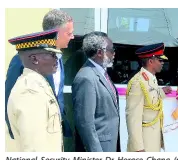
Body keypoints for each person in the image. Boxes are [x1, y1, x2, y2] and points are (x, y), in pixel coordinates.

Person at [5, 9, 74, 140]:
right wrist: (16, 134)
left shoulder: (58, 59)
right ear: (57, 34)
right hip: (34, 134)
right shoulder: (22, 59)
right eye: (69, 33)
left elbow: (57, 94)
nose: (73, 37)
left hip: (54, 131)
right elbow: (8, 96)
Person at [7, 29, 63, 152]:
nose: (56, 60)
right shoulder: (29, 92)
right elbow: (33, 148)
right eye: (52, 55)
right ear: (34, 59)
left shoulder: (38, 84)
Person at [72, 31, 120, 152]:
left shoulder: (101, 72)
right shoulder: (86, 77)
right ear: (100, 52)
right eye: (111, 50)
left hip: (109, 144)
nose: (114, 53)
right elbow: (85, 123)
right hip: (98, 148)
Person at [125, 43, 172, 152]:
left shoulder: (150, 78)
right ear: (151, 61)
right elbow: (133, 118)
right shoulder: (138, 82)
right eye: (160, 60)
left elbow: (150, 99)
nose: (162, 63)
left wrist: (161, 92)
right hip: (144, 143)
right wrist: (138, 148)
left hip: (152, 138)